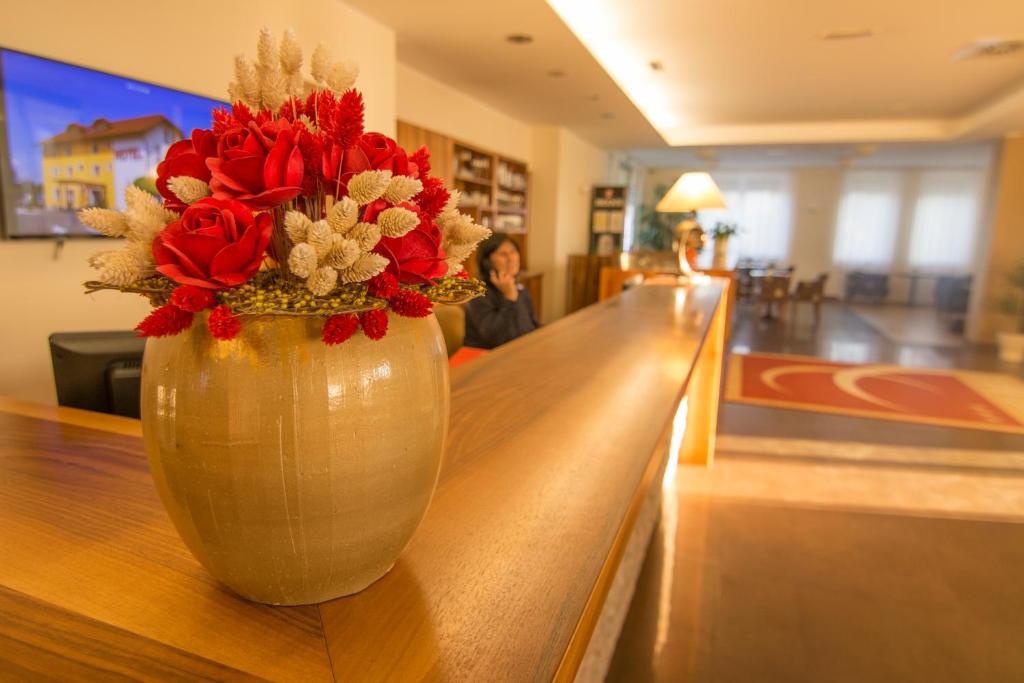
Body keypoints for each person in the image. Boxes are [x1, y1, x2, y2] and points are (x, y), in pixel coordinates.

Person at [463, 234, 539, 349]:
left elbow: (532, 326)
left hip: (521, 350)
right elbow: (496, 338)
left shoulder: (520, 288)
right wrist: (509, 298)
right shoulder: (477, 294)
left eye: (513, 251)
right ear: (487, 262)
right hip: (488, 359)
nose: (511, 258)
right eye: (503, 254)